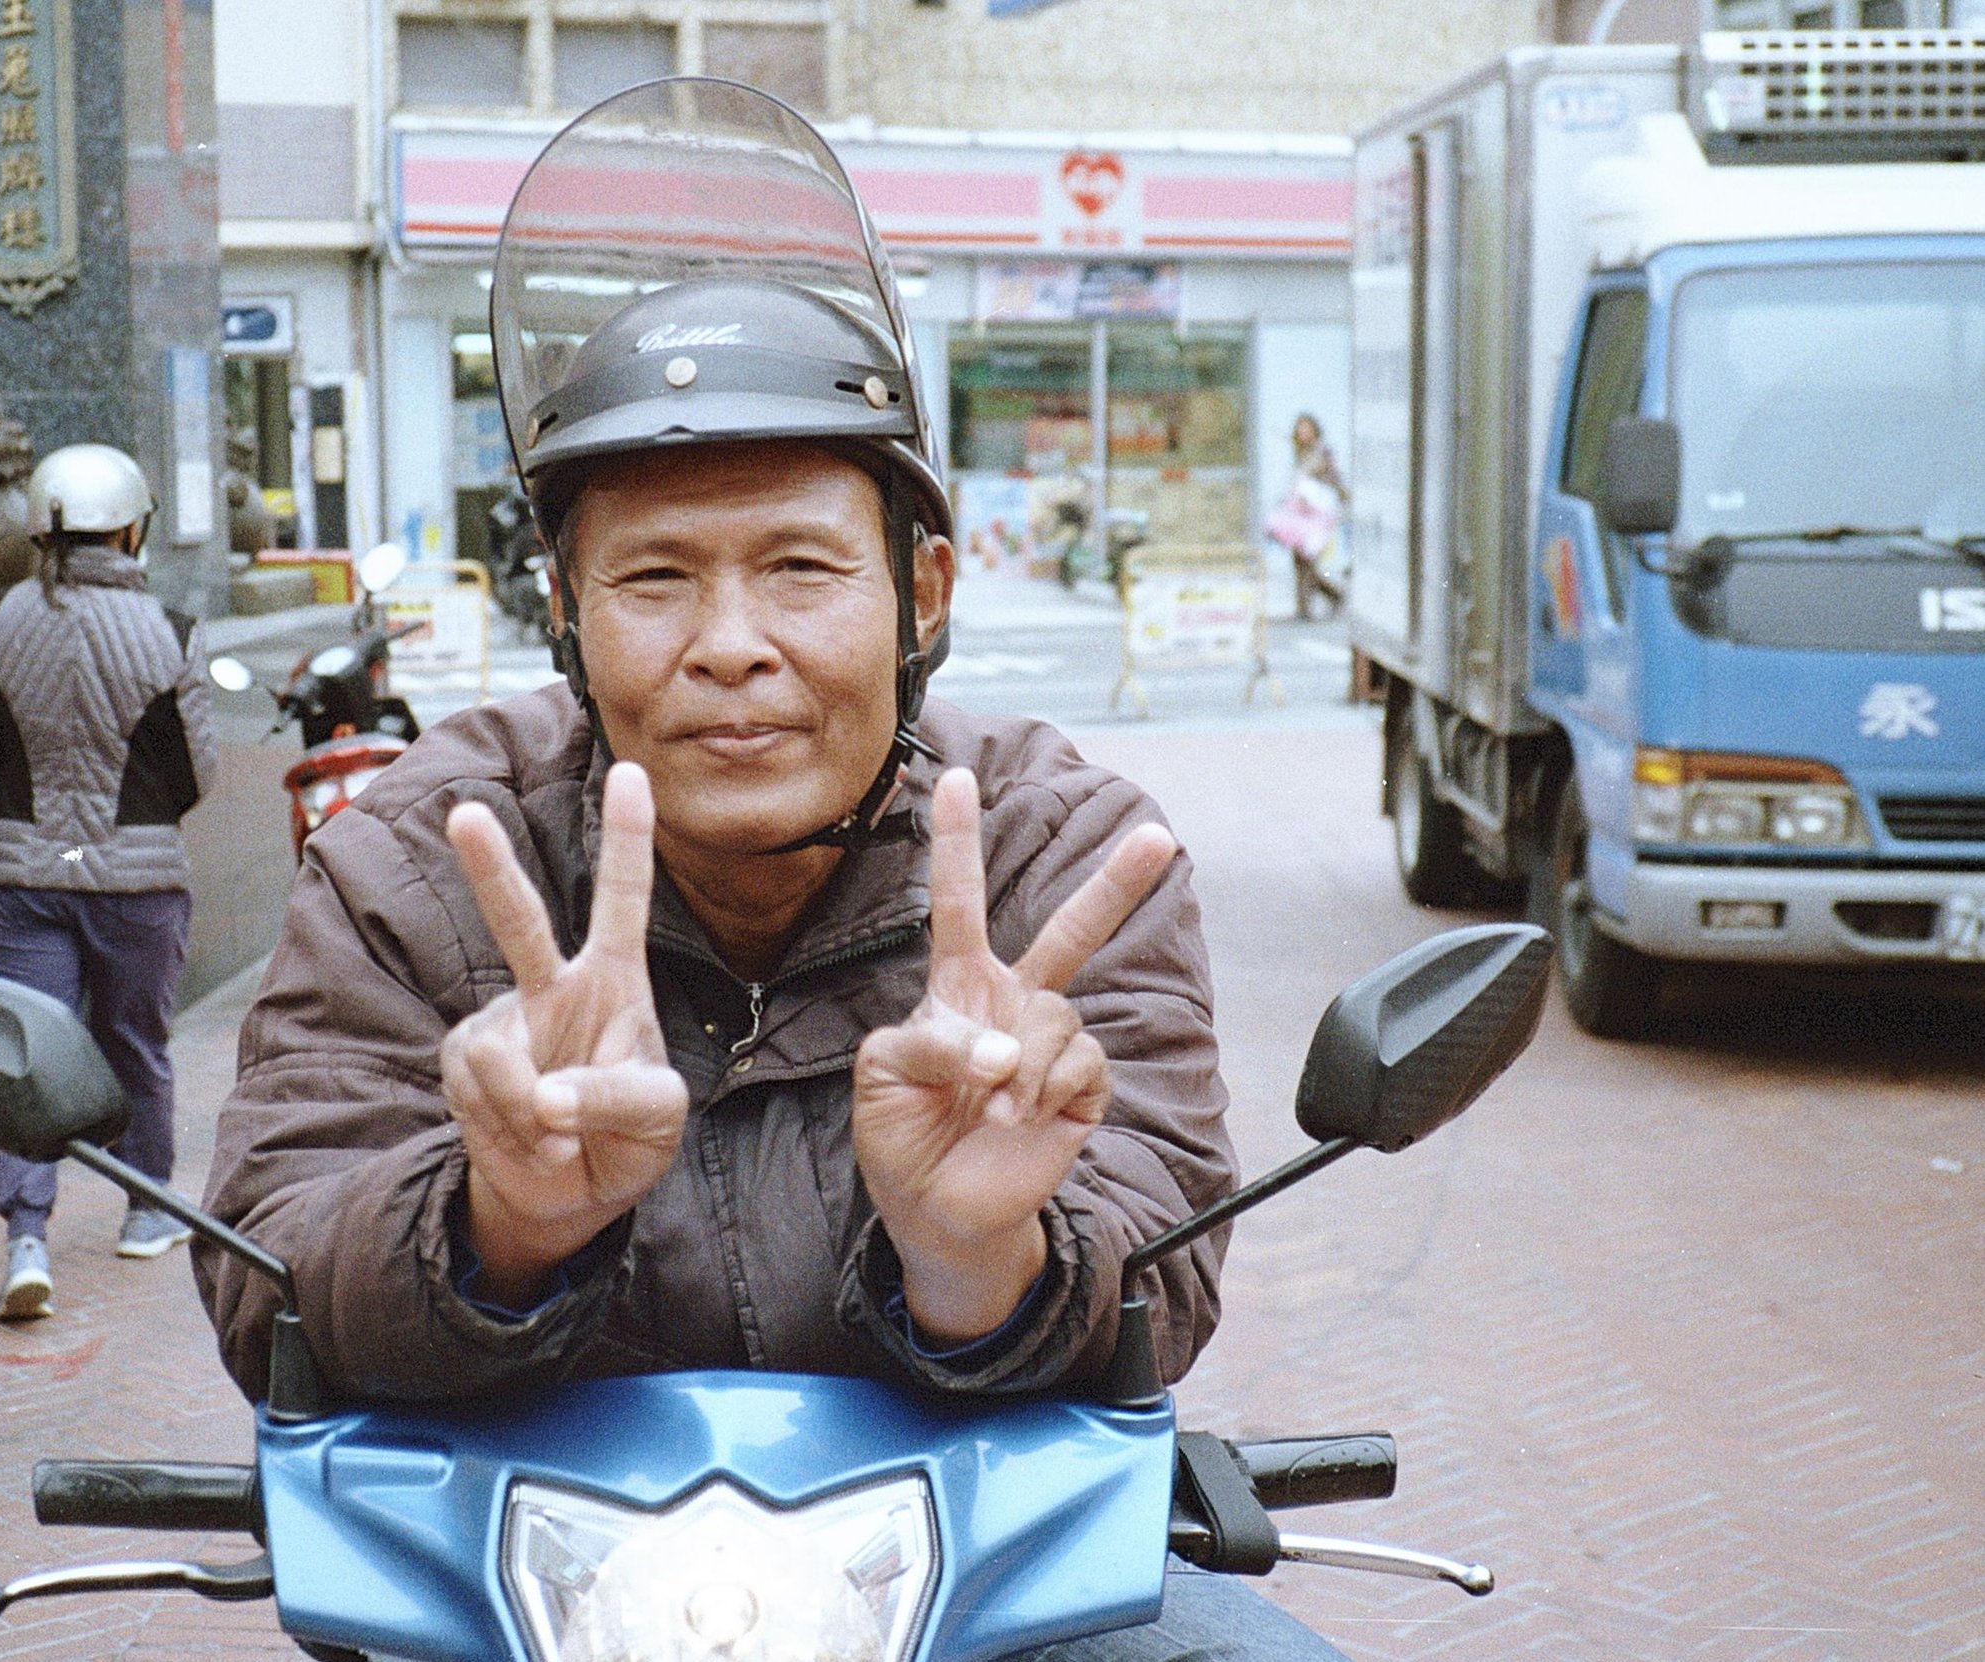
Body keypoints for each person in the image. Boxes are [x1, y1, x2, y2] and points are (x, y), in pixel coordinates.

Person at [197, 81, 1343, 1661]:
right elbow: (270, 1278)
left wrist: (975, 1250)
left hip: (979, 1580)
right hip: (505, 1580)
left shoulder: (1062, 851)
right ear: (565, 605)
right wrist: (499, 1219)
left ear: (920, 585)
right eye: (655, 578)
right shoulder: (421, 855)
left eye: (802, 568)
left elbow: (1158, 1274)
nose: (732, 648)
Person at [0, 441, 219, 1321]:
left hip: (25, 870)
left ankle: (28, 1239)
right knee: (136, 1042)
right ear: (131, 527)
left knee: (25, 1050)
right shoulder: (171, 631)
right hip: (138, 878)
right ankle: (147, 1211)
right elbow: (196, 775)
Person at [1264, 413, 1349, 621]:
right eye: (1300, 429)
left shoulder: (1322, 452)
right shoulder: (1299, 453)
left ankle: (1322, 600)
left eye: (1306, 429)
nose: (1303, 433)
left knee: (1308, 561)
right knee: (1300, 560)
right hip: (1300, 514)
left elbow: (1334, 479)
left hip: (1318, 514)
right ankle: (1310, 604)